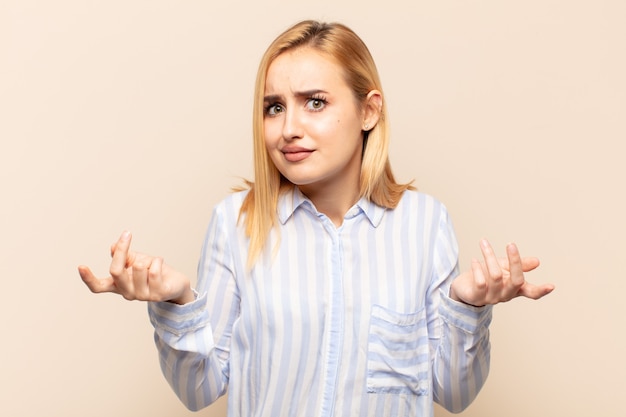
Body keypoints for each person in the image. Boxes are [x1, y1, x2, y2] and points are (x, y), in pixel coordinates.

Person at [78, 20, 554, 417]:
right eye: (274, 107)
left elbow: (454, 394)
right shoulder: (235, 224)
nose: (288, 129)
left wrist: (468, 308)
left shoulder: (425, 225)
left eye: (315, 102)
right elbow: (198, 391)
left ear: (369, 110)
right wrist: (176, 303)